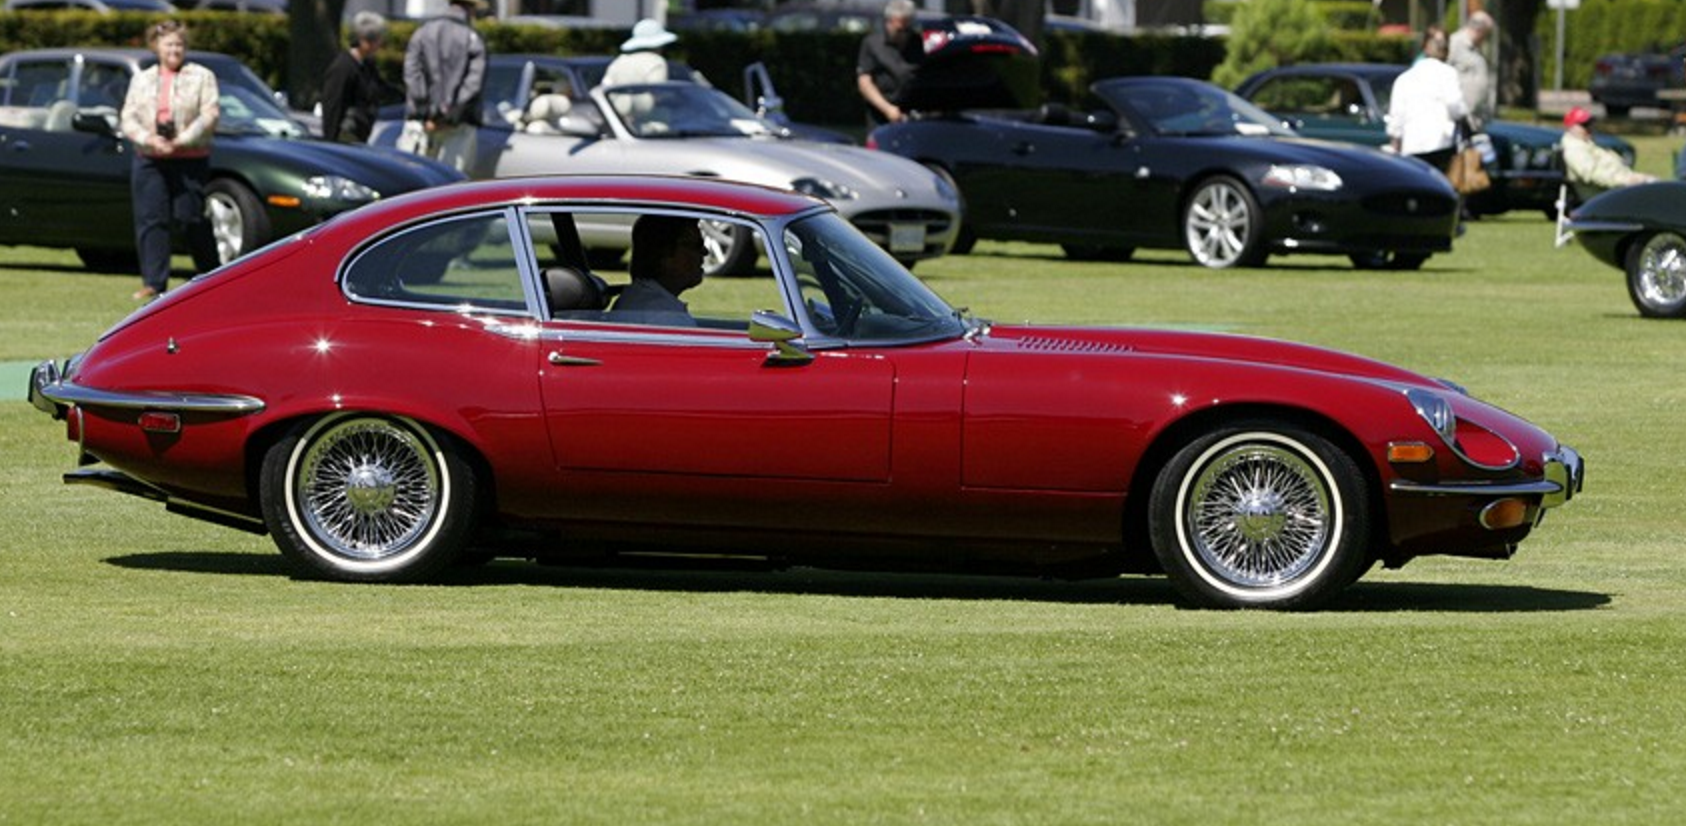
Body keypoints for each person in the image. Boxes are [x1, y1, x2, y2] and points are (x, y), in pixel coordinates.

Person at [120, 20, 219, 302]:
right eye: (168, 44)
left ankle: (211, 274)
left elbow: (210, 115)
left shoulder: (202, 77)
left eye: (179, 44)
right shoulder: (142, 79)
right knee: (151, 219)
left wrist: (182, 140)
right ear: (156, 47)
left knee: (190, 218)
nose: (174, 49)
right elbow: (127, 117)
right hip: (150, 157)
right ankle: (154, 282)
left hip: (190, 158)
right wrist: (150, 140)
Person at [401, 0, 487, 174]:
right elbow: (473, 83)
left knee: (414, 181)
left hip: (421, 122)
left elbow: (412, 73)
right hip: (457, 126)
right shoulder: (473, 37)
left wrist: (426, 111)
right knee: (451, 186)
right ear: (469, 9)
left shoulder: (422, 32)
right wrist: (450, 115)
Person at [1387, 27, 1468, 176]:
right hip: (1441, 145)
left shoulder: (1404, 78)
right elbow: (1455, 108)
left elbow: (1396, 119)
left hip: (1411, 147)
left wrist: (1396, 147)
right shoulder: (1448, 73)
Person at [610, 216, 704, 326]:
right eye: (696, 245)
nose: (705, 251)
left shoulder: (637, 299)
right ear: (664, 257)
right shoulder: (667, 317)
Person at [320, 11, 394, 144]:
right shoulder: (343, 67)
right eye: (377, 39)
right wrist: (330, 142)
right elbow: (333, 106)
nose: (380, 44)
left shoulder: (367, 65)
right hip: (345, 136)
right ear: (365, 41)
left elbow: (383, 88)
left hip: (361, 133)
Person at [856, 0, 923, 125]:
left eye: (907, 30)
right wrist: (887, 109)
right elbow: (864, 82)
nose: (904, 35)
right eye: (899, 30)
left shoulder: (918, 42)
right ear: (889, 22)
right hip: (881, 115)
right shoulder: (872, 43)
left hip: (913, 115)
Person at [1561, 107, 1656, 195]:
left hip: (1616, 191)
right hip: (1605, 198)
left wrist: (1640, 177)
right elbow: (1593, 174)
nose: (1589, 127)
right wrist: (1627, 180)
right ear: (1571, 127)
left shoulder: (1587, 144)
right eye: (1584, 125)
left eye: (1590, 123)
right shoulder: (1575, 150)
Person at [1447, 11, 1495, 131]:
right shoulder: (1454, 43)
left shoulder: (1479, 48)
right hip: (1459, 119)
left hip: (1477, 119)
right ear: (1479, 30)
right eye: (1486, 34)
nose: (1486, 39)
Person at [603, 18, 676, 88]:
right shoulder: (656, 62)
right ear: (659, 45)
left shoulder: (619, 62)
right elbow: (657, 92)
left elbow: (604, 87)